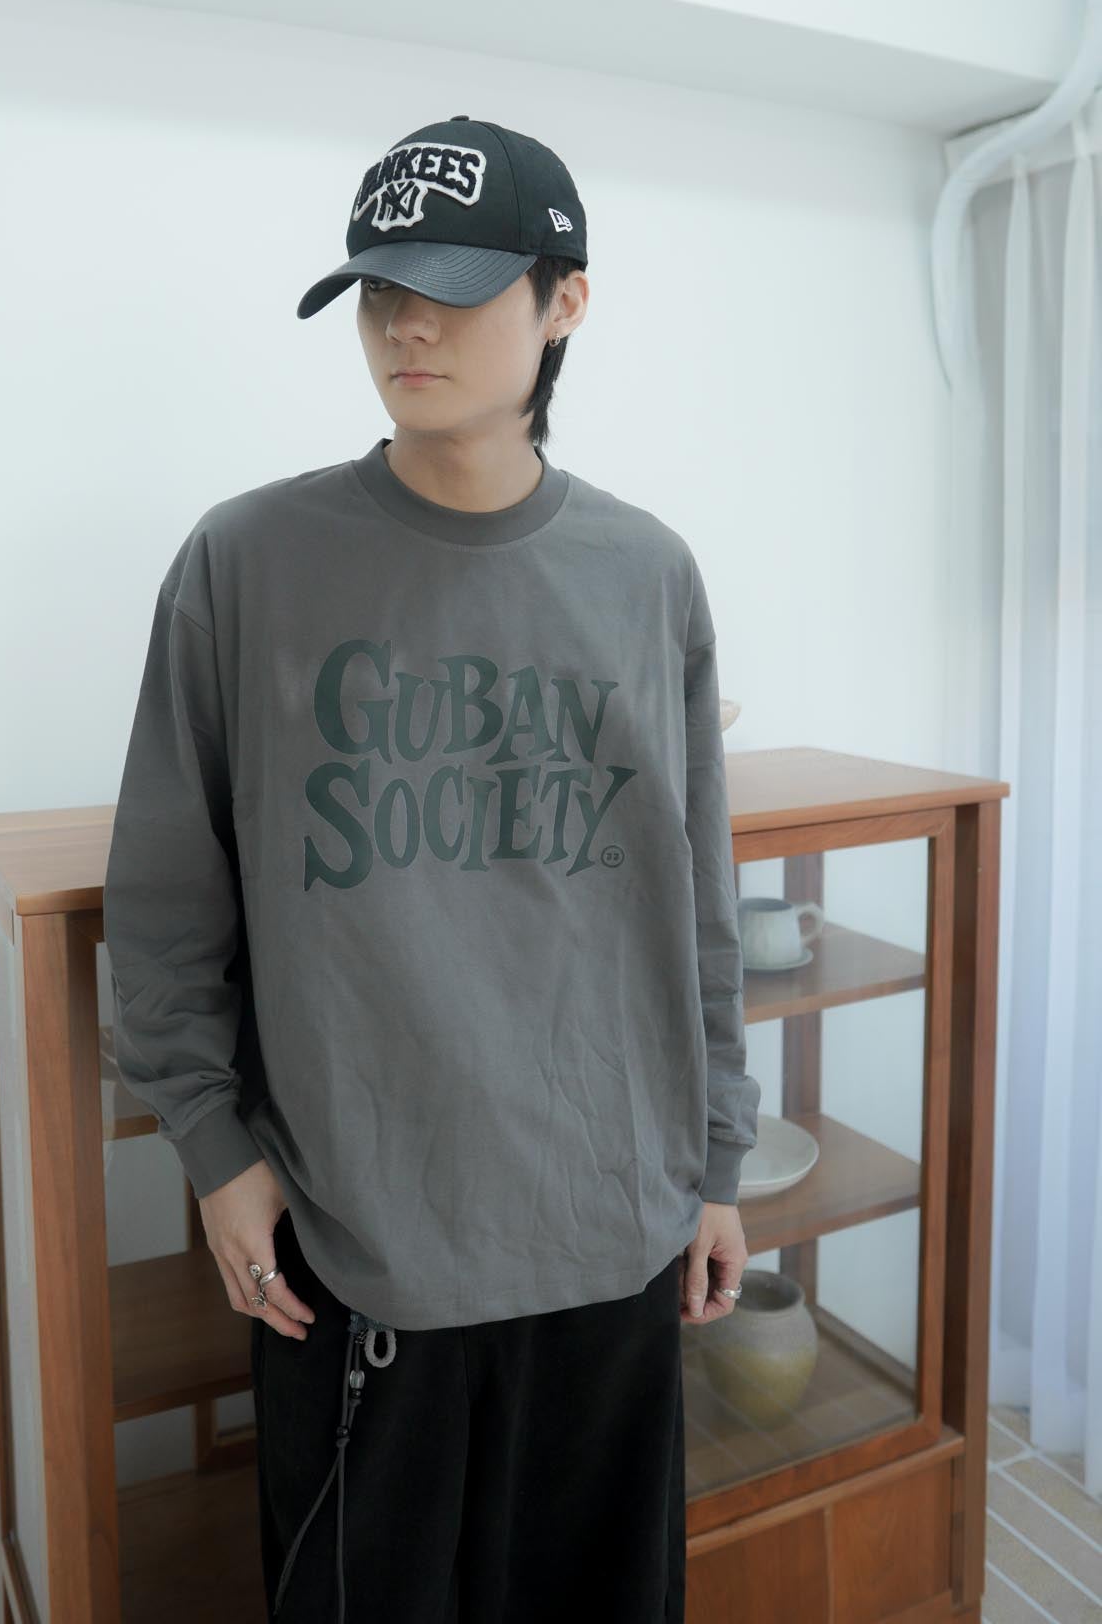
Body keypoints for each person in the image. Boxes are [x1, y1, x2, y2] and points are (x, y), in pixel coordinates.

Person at [103, 114, 760, 1622]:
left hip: (613, 1237)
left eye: (454, 290)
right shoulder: (247, 563)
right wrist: (216, 1153)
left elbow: (699, 905)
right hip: (357, 1256)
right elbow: (164, 900)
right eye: (381, 291)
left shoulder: (646, 574)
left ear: (564, 301)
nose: (406, 325)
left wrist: (718, 1164)